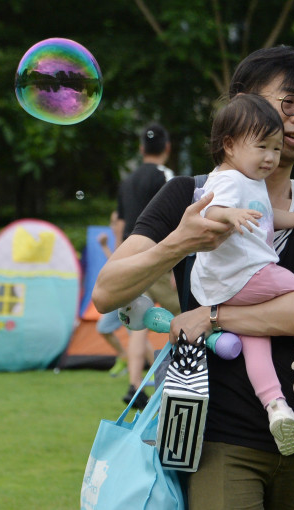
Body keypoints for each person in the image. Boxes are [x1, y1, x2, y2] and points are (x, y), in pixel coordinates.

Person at [93, 45, 294, 509]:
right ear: (242, 102)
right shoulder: (188, 197)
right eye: (288, 102)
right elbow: (109, 291)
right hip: (217, 436)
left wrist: (211, 315)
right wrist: (181, 241)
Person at [191, 93, 294, 455]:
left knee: (254, 344)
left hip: (224, 291)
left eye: (276, 150)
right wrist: (228, 215)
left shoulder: (249, 183)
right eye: (262, 147)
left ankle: (277, 409)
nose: (270, 158)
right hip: (247, 275)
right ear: (229, 145)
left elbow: (269, 217)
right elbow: (209, 211)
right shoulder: (230, 180)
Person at [115, 123, 181, 409]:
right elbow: (178, 220)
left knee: (137, 324)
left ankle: (134, 386)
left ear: (142, 149)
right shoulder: (167, 176)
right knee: (183, 317)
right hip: (158, 259)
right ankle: (177, 378)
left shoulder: (127, 181)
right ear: (167, 148)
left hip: (130, 261)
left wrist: (119, 262)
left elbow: (119, 223)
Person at [95, 212, 127, 377]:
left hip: (129, 295)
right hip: (118, 297)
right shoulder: (118, 242)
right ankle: (124, 357)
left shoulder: (129, 240)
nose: (112, 226)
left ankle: (152, 370)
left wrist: (104, 247)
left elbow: (116, 267)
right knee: (103, 328)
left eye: (115, 222)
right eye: (112, 223)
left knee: (137, 337)